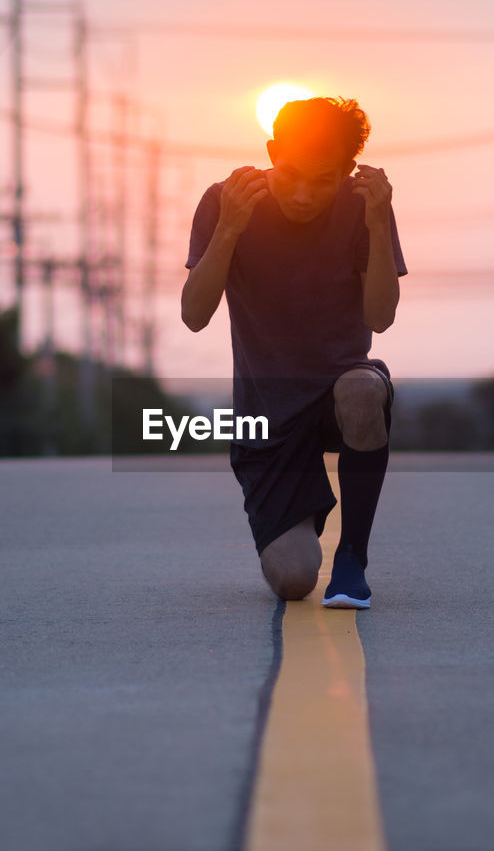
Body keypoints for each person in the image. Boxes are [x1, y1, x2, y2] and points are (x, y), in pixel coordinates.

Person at [181, 96, 408, 609]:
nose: (304, 194)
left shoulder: (364, 207)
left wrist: (376, 222)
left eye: (323, 180)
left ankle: (352, 558)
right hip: (267, 419)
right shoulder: (226, 199)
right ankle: (303, 519)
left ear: (348, 173)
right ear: (271, 152)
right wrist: (231, 226)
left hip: (338, 391)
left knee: (361, 389)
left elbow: (380, 318)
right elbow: (194, 315)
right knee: (294, 580)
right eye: (292, 174)